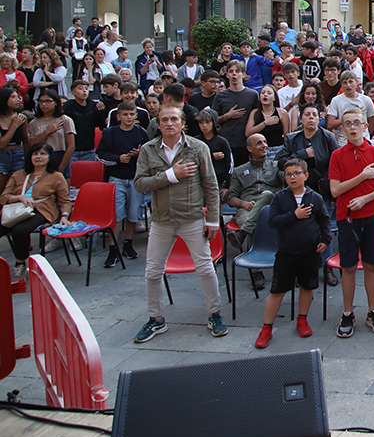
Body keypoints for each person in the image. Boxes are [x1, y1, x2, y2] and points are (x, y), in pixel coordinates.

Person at [133, 106, 227, 342]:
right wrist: (170, 175)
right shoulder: (148, 149)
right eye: (164, 119)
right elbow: (140, 184)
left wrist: (213, 219)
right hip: (162, 220)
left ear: (183, 123)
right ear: (158, 124)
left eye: (174, 119)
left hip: (192, 218)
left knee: (205, 268)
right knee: (152, 272)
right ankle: (155, 319)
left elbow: (211, 185)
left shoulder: (197, 148)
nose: (169, 123)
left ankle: (214, 314)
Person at [252, 157, 333, 349]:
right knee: (277, 290)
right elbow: (272, 221)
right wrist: (293, 216)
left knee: (307, 286)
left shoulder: (315, 197)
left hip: (309, 251)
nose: (292, 177)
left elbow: (324, 221)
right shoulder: (280, 198)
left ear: (305, 175)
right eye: (289, 175)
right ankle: (267, 327)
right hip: (287, 251)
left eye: (296, 173)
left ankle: (302, 319)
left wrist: (325, 239)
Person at [328, 108, 374, 337]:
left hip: (372, 216)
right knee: (348, 267)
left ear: (365, 126)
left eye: (357, 123)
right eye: (347, 124)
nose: (352, 127)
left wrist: (365, 197)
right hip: (347, 219)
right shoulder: (337, 155)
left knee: (371, 265)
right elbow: (335, 190)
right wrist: (362, 177)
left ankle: (373, 310)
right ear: (342, 129)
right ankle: (348, 312)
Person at [0, 143, 70, 279]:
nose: (38, 157)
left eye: (42, 154)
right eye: (35, 154)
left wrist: (65, 216)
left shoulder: (56, 176)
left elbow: (64, 201)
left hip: (41, 210)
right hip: (17, 209)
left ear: (49, 157)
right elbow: (3, 197)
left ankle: (20, 262)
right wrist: (18, 197)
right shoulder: (19, 175)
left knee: (20, 230)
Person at [224, 133, 283, 282]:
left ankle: (242, 234)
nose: (264, 145)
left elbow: (289, 183)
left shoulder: (276, 166)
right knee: (254, 224)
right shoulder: (239, 171)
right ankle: (256, 270)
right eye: (259, 143)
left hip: (272, 207)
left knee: (267, 194)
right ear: (249, 148)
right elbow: (230, 198)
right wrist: (243, 204)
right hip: (247, 208)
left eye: (265, 142)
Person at [96, 100, 148, 268]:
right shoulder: (110, 133)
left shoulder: (141, 133)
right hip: (116, 178)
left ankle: (128, 243)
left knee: (133, 213)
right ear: (118, 116)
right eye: (125, 114)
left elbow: (150, 155)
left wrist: (141, 154)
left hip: (135, 178)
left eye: (132, 114)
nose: (129, 117)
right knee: (117, 215)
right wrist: (118, 159)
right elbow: (100, 155)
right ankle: (113, 248)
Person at [213, 60, 260, 166]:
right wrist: (227, 116)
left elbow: (257, 117)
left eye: (237, 71)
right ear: (227, 75)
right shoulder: (220, 96)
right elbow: (213, 121)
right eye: (231, 71)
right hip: (227, 142)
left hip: (247, 142)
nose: (234, 74)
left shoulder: (252, 94)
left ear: (243, 74)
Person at [25, 92, 75, 176]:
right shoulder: (34, 123)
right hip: (41, 156)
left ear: (56, 102)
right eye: (41, 101)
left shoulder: (65, 120)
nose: (44, 104)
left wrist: (62, 167)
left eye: (48, 101)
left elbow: (71, 146)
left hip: (59, 155)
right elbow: (32, 146)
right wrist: (46, 132)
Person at [246, 85, 290, 161]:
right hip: (259, 150)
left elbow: (287, 135)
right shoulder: (254, 113)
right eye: (263, 93)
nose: (265, 94)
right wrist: (265, 123)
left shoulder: (282, 113)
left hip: (278, 150)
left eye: (269, 93)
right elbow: (248, 133)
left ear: (274, 98)